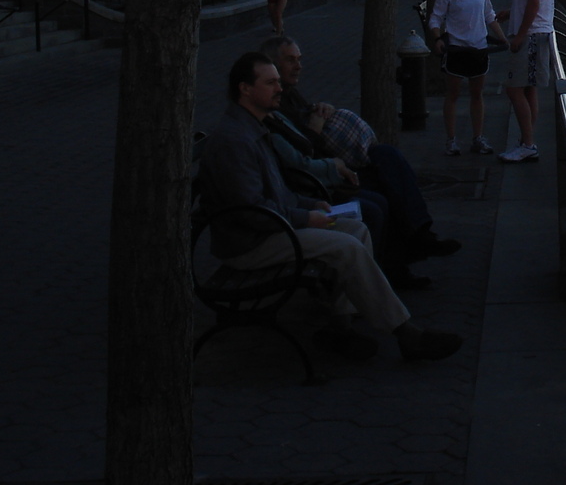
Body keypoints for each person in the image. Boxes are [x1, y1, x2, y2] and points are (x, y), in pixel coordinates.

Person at [197, 52, 461, 363]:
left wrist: (313, 204)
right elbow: (249, 209)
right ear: (245, 89)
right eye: (270, 83)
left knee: (357, 228)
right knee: (345, 247)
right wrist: (306, 217)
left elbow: (275, 192)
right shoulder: (235, 140)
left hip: (269, 227)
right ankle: (406, 334)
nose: (279, 88)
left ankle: (341, 327)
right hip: (251, 243)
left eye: (278, 82)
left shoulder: (254, 127)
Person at [260, 35, 461, 263]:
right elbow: (302, 152)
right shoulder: (272, 107)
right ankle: (403, 255)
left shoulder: (288, 93)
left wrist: (323, 108)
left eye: (299, 59)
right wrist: (316, 131)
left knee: (386, 155)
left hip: (333, 163)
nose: (298, 66)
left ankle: (421, 233)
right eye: (290, 60)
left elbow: (308, 116)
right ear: (272, 66)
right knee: (383, 191)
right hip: (322, 175)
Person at [428, 0, 506, 156]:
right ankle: (451, 140)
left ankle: (478, 138)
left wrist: (503, 38)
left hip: (479, 48)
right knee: (452, 94)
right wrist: (437, 38)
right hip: (456, 49)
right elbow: (435, 18)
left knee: (476, 94)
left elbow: (490, 16)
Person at [496, 0, 555, 164]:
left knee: (514, 88)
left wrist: (519, 35)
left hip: (531, 36)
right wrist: (511, 13)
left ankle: (528, 144)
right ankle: (526, 140)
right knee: (530, 88)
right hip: (540, 32)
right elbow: (535, 3)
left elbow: (533, 3)